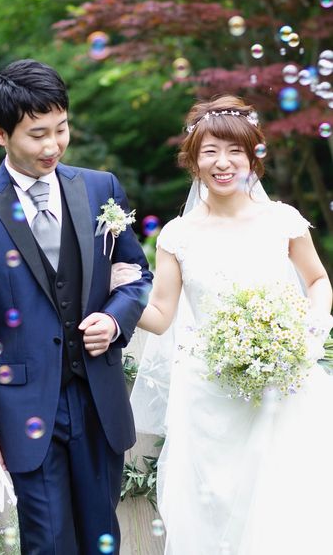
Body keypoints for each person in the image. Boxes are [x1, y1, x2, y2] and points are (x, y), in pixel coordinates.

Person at [0, 59, 153, 554]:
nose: (53, 145)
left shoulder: (101, 188)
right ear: (0, 133)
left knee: (103, 541)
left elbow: (136, 276)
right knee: (48, 544)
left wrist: (115, 319)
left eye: (61, 129)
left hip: (98, 403)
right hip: (24, 412)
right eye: (37, 135)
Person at [122, 94, 333, 554]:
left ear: (253, 156)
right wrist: (120, 291)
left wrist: (310, 331)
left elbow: (318, 281)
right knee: (212, 520)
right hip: (208, 399)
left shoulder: (283, 221)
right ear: (193, 161)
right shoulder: (178, 235)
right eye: (210, 152)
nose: (223, 163)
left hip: (284, 387)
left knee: (285, 511)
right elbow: (160, 316)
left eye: (235, 150)